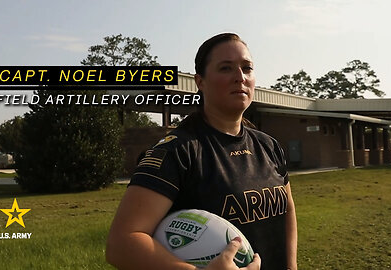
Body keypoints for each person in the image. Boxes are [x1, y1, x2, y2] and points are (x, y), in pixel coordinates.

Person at [106, 33, 297, 270]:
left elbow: (287, 209)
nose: (240, 77)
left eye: (247, 68)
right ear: (200, 82)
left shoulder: (268, 145)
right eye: (226, 68)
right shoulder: (178, 151)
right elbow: (121, 244)